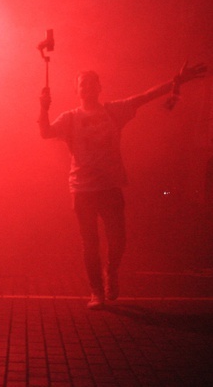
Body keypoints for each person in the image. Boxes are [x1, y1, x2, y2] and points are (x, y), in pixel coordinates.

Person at [38, 63, 207, 309]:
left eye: (90, 83)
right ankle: (96, 292)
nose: (86, 87)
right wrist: (43, 108)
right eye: (81, 84)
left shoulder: (114, 111)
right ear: (77, 90)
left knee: (118, 239)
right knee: (90, 243)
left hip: (109, 186)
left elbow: (146, 96)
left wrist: (176, 81)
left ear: (99, 87)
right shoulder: (70, 117)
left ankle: (111, 270)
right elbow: (45, 132)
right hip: (82, 188)